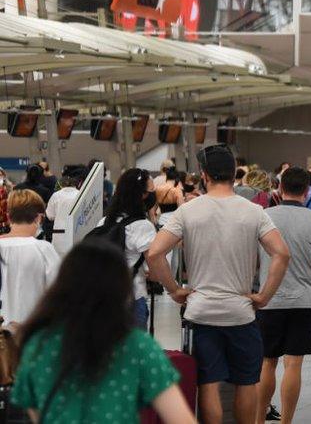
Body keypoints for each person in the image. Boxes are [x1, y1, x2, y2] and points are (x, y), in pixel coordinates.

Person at [147, 144, 291, 424]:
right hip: (241, 313)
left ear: (204, 174)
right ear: (232, 173)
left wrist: (174, 290)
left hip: (200, 313)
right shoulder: (254, 211)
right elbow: (282, 253)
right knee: (246, 383)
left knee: (208, 384)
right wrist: (264, 296)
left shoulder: (188, 211)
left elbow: (154, 253)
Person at [11, 241, 195, 424]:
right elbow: (181, 419)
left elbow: (36, 412)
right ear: (122, 288)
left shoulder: (38, 344)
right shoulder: (137, 347)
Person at [255, 168, 311, 424]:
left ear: (279, 188)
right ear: (307, 191)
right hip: (304, 301)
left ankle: (258, 420)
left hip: (268, 300)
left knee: (267, 363)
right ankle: (286, 421)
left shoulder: (263, 217)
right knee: (293, 365)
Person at [99, 168, 160, 329]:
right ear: (141, 195)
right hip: (133, 297)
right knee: (133, 351)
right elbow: (154, 267)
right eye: (150, 191)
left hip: (103, 297)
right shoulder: (142, 226)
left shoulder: (105, 222)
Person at [0, 190, 59, 328]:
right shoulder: (44, 250)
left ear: (8, 217)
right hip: (30, 333)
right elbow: (58, 293)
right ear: (39, 218)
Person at [45, 166, 86, 256]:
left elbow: (50, 215)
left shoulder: (56, 195)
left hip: (59, 235)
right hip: (77, 234)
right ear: (77, 184)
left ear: (61, 184)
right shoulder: (81, 195)